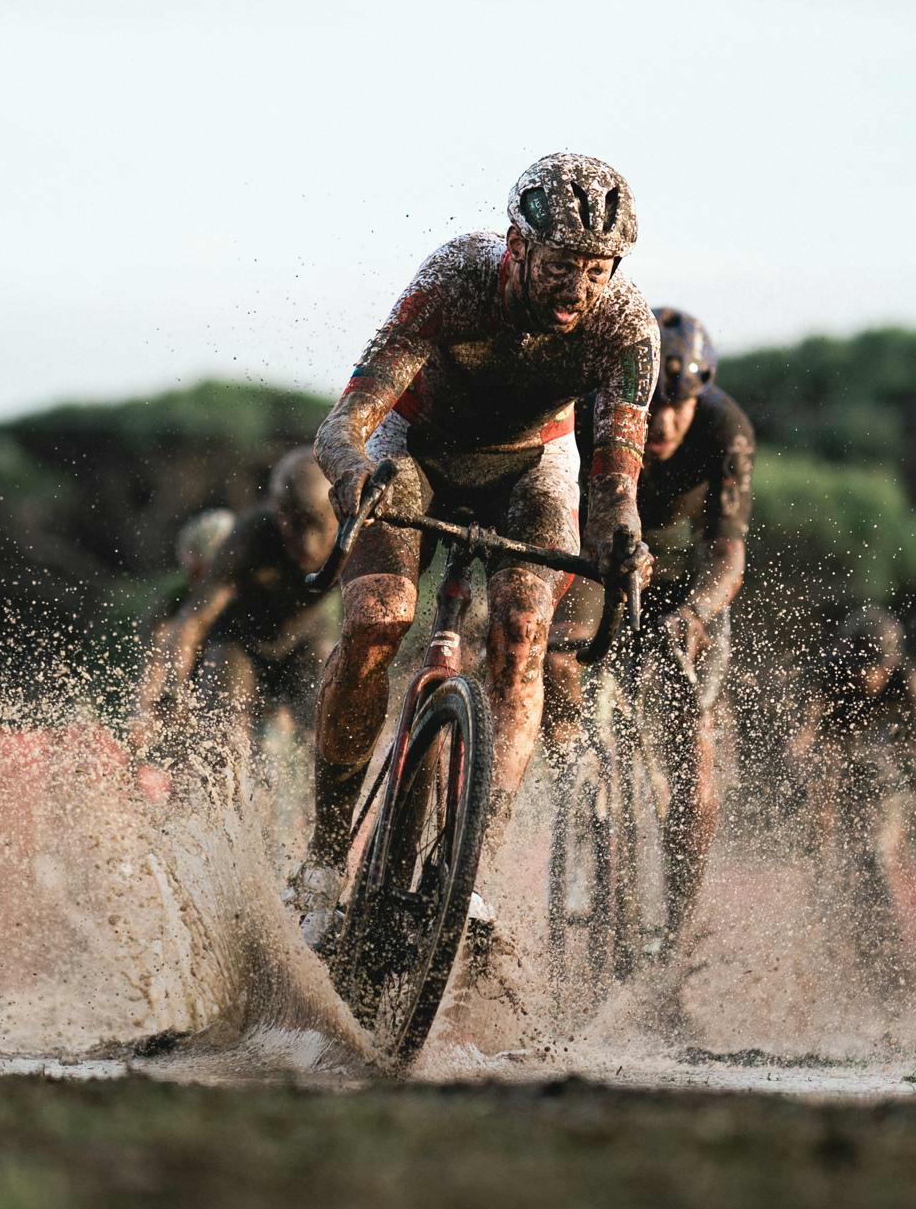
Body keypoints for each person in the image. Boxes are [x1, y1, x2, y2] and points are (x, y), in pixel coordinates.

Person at [286, 152, 658, 949]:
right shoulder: (457, 277)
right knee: (378, 620)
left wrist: (624, 539)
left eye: (596, 271)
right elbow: (342, 424)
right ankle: (321, 858)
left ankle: (470, 881)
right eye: (561, 265)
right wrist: (353, 473)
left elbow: (614, 483)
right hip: (416, 448)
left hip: (533, 465)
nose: (576, 290)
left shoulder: (627, 328)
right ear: (516, 246)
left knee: (523, 637)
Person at [544, 307, 755, 960]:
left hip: (677, 585)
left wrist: (692, 615)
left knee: (693, 764)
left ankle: (674, 938)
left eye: (679, 406)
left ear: (700, 397)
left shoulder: (725, 429)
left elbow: (726, 553)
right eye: (653, 404)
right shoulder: (590, 405)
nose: (662, 423)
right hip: (591, 559)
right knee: (554, 658)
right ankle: (575, 773)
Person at [134, 449, 339, 760]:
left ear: (338, 517)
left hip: (306, 644)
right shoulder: (250, 538)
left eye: (317, 528)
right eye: (294, 526)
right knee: (220, 736)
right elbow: (192, 621)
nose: (306, 545)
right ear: (278, 514)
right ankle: (223, 801)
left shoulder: (354, 538)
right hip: (240, 645)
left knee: (329, 734)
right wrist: (173, 689)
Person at [788, 606, 916, 994]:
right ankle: (830, 948)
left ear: (892, 661)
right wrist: (803, 759)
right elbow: (801, 739)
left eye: (874, 665)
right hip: (832, 765)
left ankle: (891, 958)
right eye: (857, 663)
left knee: (875, 856)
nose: (864, 675)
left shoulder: (909, 682)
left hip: (883, 770)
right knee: (823, 863)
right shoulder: (824, 675)